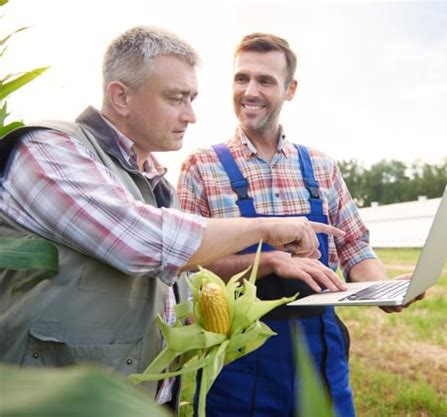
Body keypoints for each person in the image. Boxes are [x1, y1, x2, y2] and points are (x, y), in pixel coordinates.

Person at [0, 27, 342, 407]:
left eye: (192, 98)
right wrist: (267, 228)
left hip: (135, 399)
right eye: (176, 99)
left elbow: (183, 277)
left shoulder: (153, 180)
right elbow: (142, 241)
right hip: (62, 402)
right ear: (121, 96)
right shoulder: (50, 151)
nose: (191, 115)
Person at [178, 32, 423, 417]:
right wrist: (269, 261)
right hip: (240, 357)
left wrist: (386, 291)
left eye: (265, 81)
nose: (249, 91)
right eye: (241, 78)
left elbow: (355, 248)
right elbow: (188, 263)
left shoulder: (321, 167)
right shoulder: (202, 167)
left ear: (290, 89)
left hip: (321, 350)